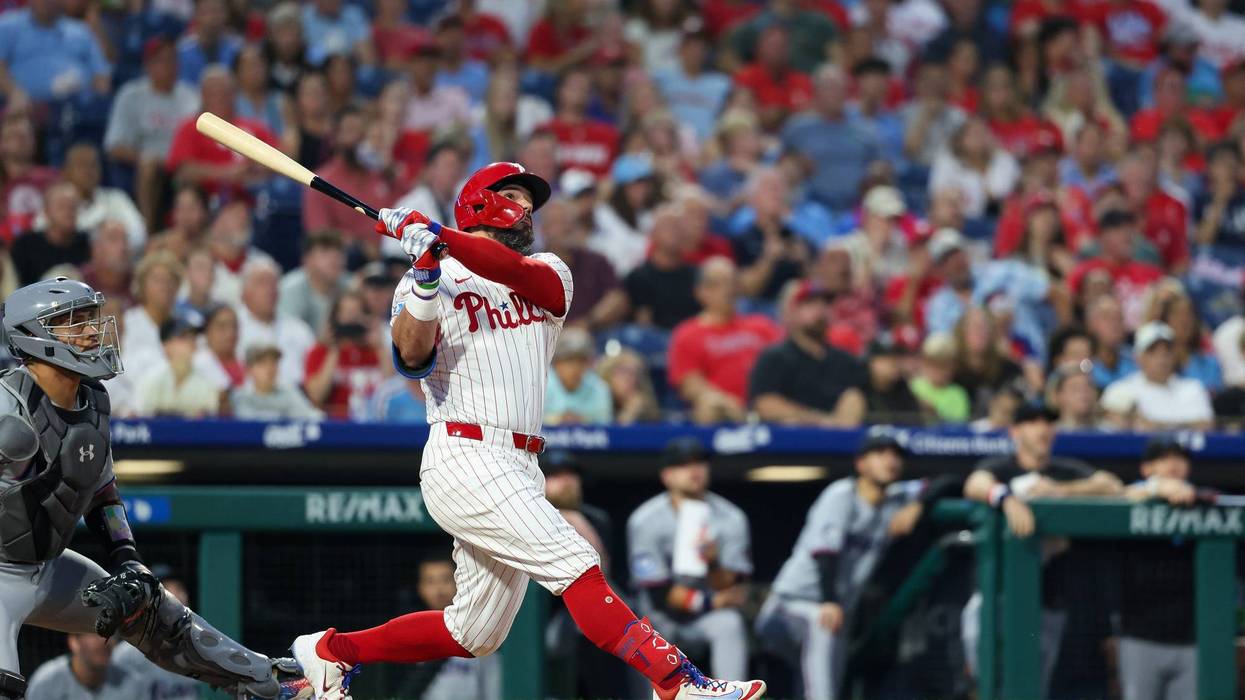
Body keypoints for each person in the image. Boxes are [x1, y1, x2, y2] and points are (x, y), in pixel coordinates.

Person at [289, 161, 766, 700]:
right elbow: (410, 356)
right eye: (513, 195)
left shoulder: (548, 270)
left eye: (529, 201)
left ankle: (332, 652)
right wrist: (424, 278)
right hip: (465, 454)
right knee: (578, 562)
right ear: (479, 203)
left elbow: (512, 274)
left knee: (475, 633)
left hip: (519, 463)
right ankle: (678, 683)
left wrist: (437, 235)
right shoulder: (432, 275)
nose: (525, 209)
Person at [0, 278, 304, 700]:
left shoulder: (94, 401)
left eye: (90, 318)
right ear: (33, 336)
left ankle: (273, 682)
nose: (90, 331)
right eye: (72, 322)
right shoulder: (6, 406)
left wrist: (129, 561)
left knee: (150, 608)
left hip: (45, 565)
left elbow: (102, 493)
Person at [757, 429, 960, 700]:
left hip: (837, 615)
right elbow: (824, 553)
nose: (890, 460)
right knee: (822, 642)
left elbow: (951, 481)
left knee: (821, 677)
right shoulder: (841, 495)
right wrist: (828, 601)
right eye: (880, 453)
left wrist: (919, 506)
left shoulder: (897, 498)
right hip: (789, 606)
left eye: (895, 455)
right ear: (861, 464)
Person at [962, 403, 1123, 696]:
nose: (1042, 429)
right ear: (1015, 431)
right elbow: (974, 483)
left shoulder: (1064, 471)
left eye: (1048, 422)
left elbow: (1111, 485)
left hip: (1047, 601)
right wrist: (1007, 499)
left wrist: (1062, 491)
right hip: (995, 597)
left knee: (1034, 688)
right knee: (986, 685)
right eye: (1032, 422)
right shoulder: (1001, 467)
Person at [628, 437, 753, 681]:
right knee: (641, 633)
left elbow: (732, 587)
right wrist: (711, 601)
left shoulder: (731, 517)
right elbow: (658, 594)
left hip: (705, 618)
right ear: (667, 476)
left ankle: (731, 696)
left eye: (700, 463)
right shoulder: (645, 520)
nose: (694, 470)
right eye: (683, 464)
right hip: (656, 617)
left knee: (730, 623)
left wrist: (713, 562)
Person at [1115, 435, 1204, 700]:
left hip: (1192, 638)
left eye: (1179, 458)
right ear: (1147, 468)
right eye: (1164, 459)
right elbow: (1116, 494)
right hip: (1141, 635)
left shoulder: (1200, 499)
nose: (1173, 465)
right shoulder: (1134, 496)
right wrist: (1155, 489)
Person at [668, 257, 782, 424]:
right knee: (708, 405)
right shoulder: (687, 334)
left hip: (770, 407)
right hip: (724, 413)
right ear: (701, 291)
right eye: (718, 284)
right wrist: (735, 408)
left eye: (732, 282)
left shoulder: (762, 326)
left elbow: (789, 363)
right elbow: (691, 387)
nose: (728, 290)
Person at [103, 37, 200, 230]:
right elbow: (113, 146)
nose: (169, 66)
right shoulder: (131, 95)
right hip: (148, 165)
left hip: (181, 166)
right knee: (150, 165)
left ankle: (188, 233)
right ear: (149, 65)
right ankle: (146, 230)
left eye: (172, 60)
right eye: (162, 60)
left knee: (192, 170)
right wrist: (144, 157)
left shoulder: (190, 96)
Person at [750, 280, 868, 427]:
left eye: (825, 303)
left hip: (839, 446)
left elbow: (856, 401)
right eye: (810, 303)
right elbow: (765, 404)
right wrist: (821, 421)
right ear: (792, 312)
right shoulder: (774, 358)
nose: (820, 309)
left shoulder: (846, 361)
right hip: (789, 445)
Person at [782, 65, 881, 213]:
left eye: (840, 88)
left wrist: (877, 172)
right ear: (815, 93)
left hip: (857, 205)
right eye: (829, 88)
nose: (836, 94)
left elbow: (882, 165)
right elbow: (778, 164)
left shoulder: (866, 129)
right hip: (811, 204)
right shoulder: (797, 128)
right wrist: (794, 165)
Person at [303, 108, 399, 255]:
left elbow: (413, 210)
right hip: (345, 263)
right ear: (334, 139)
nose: (358, 138)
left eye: (362, 132)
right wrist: (360, 246)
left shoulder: (383, 175)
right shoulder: (321, 182)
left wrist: (393, 175)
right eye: (350, 131)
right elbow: (318, 235)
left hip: (393, 260)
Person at [1101, 321, 1215, 431]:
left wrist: (1154, 425)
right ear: (1138, 357)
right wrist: (1184, 425)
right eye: (1152, 350)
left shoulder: (1193, 388)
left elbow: (1206, 425)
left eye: (1167, 350)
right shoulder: (1119, 390)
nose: (1161, 356)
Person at [0, 0, 111, 106]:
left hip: (77, 108)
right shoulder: (8, 26)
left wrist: (97, 100)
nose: (50, 1)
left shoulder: (80, 31)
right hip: (27, 107)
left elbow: (101, 74)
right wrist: (14, 93)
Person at [42, 143, 146, 253]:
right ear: (67, 172)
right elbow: (41, 232)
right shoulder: (56, 200)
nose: (88, 171)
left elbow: (139, 235)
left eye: (93, 165)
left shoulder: (117, 198)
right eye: (81, 165)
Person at [236, 257, 317, 389]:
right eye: (261, 283)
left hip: (294, 403)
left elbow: (314, 373)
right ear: (244, 291)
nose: (269, 290)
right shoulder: (231, 328)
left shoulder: (299, 329)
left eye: (273, 283)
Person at [135, 316, 219, 418]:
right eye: (184, 337)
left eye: (193, 337)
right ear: (166, 344)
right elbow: (140, 418)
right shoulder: (150, 379)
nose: (191, 342)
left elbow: (206, 422)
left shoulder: (207, 384)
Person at [11, 183, 90, 286]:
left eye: (73, 206)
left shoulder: (86, 244)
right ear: (46, 211)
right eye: (61, 206)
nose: (69, 212)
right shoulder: (25, 245)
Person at [26, 632, 147, 699]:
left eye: (110, 633)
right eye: (95, 633)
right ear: (74, 642)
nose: (104, 641)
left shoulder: (132, 683)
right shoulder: (47, 682)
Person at [278, 229, 349, 336]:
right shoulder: (289, 290)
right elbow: (286, 337)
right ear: (307, 259)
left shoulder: (349, 286)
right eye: (325, 252)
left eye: (339, 251)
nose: (334, 258)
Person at [231, 345, 324, 420]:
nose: (270, 369)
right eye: (263, 363)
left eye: (274, 363)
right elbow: (249, 424)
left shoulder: (289, 392)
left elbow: (313, 417)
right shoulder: (241, 396)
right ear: (248, 370)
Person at [544, 327, 612, 425]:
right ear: (556, 362)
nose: (576, 368)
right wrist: (558, 419)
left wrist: (582, 421)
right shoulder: (541, 384)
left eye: (581, 361)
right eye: (569, 360)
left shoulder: (599, 388)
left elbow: (605, 427)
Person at [175, 0, 242, 84]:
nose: (213, 17)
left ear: (226, 14)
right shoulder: (182, 51)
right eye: (208, 11)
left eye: (218, 11)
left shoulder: (237, 49)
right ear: (196, 14)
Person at [910, 332, 971, 424]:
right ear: (924, 363)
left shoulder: (958, 395)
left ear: (953, 367)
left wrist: (934, 413)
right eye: (933, 364)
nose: (938, 371)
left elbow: (959, 428)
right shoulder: (913, 387)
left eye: (944, 366)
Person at [193, 303, 245, 396]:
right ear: (206, 331)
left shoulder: (246, 360)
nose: (230, 333)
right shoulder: (197, 365)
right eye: (222, 327)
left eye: (234, 326)